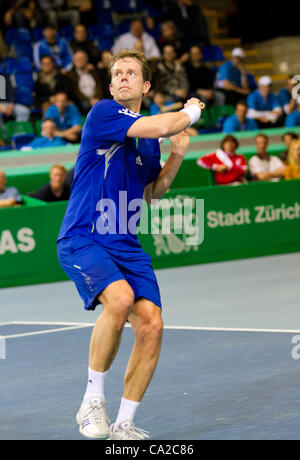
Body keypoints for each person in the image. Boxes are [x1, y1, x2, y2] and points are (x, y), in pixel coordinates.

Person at [56, 48, 203, 440]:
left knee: (152, 325)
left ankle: (124, 424)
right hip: (84, 237)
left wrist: (177, 155)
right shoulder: (104, 112)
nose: (122, 78)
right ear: (110, 86)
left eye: (130, 73)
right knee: (119, 301)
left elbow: (152, 193)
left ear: (145, 84)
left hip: (127, 243)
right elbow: (161, 125)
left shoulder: (150, 140)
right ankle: (92, 401)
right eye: (117, 73)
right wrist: (192, 112)